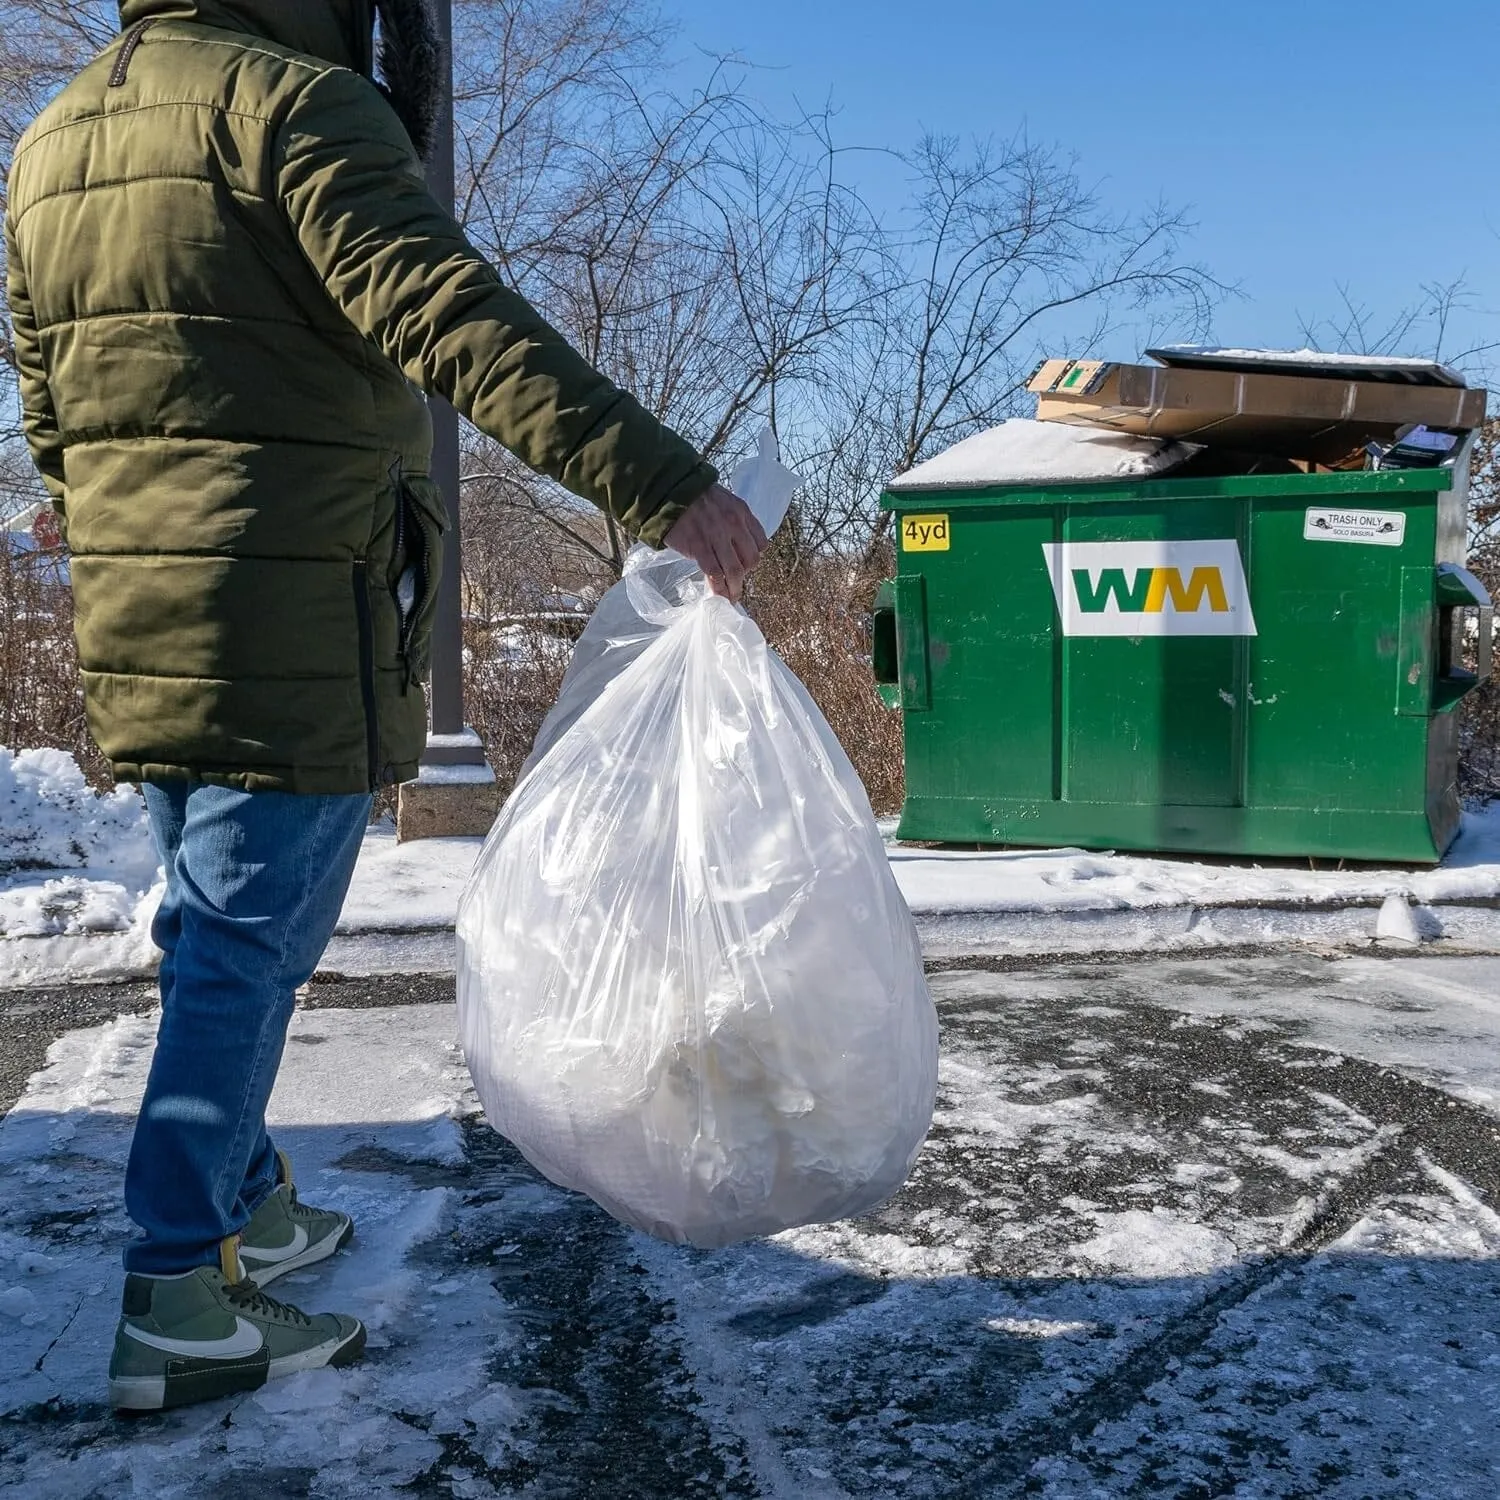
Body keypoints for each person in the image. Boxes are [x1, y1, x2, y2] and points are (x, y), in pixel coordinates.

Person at [4, 0, 768, 1413]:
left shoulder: (54, 135)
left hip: (136, 607)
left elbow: (46, 403)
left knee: (216, 919)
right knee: (245, 945)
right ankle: (178, 1285)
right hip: (290, 608)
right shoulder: (293, 105)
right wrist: (655, 480)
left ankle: (244, 1195)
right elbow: (448, 317)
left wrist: (119, 536)